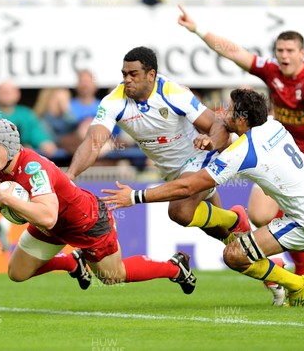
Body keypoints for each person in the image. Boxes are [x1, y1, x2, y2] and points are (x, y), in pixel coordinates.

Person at [101, 88, 304, 307]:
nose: (223, 114)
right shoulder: (272, 123)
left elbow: (187, 187)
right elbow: (235, 142)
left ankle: (297, 283)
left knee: (234, 254)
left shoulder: (241, 153)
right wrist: (212, 142)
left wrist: (137, 196)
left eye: (230, 112)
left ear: (243, 119)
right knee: (293, 235)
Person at [0, 119, 198, 294]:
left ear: (10, 148)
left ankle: (175, 267)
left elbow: (46, 216)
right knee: (16, 273)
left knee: (114, 276)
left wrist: (10, 200)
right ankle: (72, 262)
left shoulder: (34, 168)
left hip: (85, 221)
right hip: (52, 225)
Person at [177, 5, 304, 285]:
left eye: (290, 51)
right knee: (258, 214)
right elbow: (233, 51)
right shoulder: (272, 72)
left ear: (303, 54)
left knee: (298, 218)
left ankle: (299, 278)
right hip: (275, 151)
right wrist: (198, 29)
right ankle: (282, 264)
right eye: (280, 50)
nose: (284, 55)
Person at [66, 46, 248, 246]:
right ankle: (254, 254)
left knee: (179, 212)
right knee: (226, 239)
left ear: (151, 75)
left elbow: (216, 123)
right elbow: (93, 142)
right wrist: (71, 175)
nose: (127, 79)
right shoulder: (113, 102)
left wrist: (211, 141)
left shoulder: (172, 92)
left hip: (198, 159)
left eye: (133, 74)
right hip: (170, 172)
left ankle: (236, 220)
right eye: (124, 74)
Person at [0, 81, 58, 158]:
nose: (7, 94)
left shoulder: (25, 113)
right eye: (3, 91)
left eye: (11, 91)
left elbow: (35, 131)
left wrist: (44, 142)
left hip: (21, 159)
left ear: (18, 94)